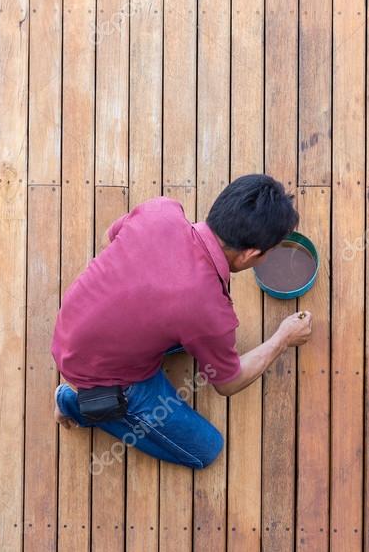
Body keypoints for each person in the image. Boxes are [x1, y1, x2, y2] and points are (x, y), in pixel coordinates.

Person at [51, 174, 312, 468]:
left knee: (183, 323)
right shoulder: (209, 310)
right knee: (206, 450)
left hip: (71, 328)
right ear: (250, 254)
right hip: (101, 376)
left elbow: (109, 238)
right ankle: (75, 404)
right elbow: (228, 382)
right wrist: (283, 338)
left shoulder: (161, 211)